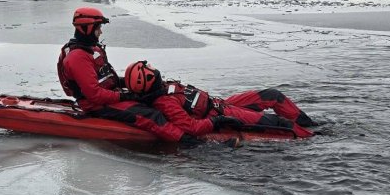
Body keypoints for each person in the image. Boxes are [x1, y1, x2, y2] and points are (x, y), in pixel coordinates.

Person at [57, 7, 191, 144]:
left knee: (154, 96)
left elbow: (109, 80)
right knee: (151, 115)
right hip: (96, 105)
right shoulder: (77, 58)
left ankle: (190, 122)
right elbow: (94, 95)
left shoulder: (91, 49)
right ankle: (187, 141)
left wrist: (135, 85)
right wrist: (125, 96)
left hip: (109, 95)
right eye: (98, 28)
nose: (100, 32)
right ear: (87, 28)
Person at [122, 60, 321, 138]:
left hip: (222, 103)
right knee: (278, 123)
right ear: (147, 78)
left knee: (272, 96)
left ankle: (310, 125)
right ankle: (313, 139)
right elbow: (191, 127)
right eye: (149, 69)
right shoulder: (165, 103)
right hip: (222, 113)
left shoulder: (163, 88)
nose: (153, 68)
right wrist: (217, 121)